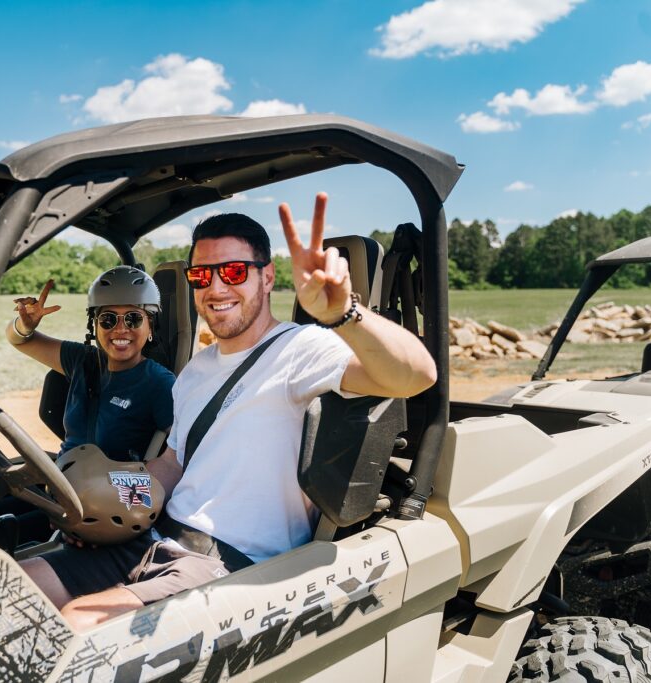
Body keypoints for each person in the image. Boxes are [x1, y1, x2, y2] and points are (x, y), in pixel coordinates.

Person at [22, 193, 437, 632]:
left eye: (234, 272)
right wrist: (103, 508)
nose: (216, 288)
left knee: (79, 624)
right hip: (156, 538)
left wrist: (345, 313)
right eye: (202, 275)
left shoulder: (301, 350)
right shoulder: (195, 371)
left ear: (267, 277)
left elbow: (415, 376)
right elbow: (172, 463)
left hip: (233, 565)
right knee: (18, 586)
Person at [5, 266, 176, 462]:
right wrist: (24, 326)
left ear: (151, 326)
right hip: (65, 480)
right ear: (94, 326)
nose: (120, 329)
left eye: (133, 319)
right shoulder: (82, 360)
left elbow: (184, 449)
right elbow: (19, 340)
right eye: (108, 320)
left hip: (111, 489)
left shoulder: (159, 382)